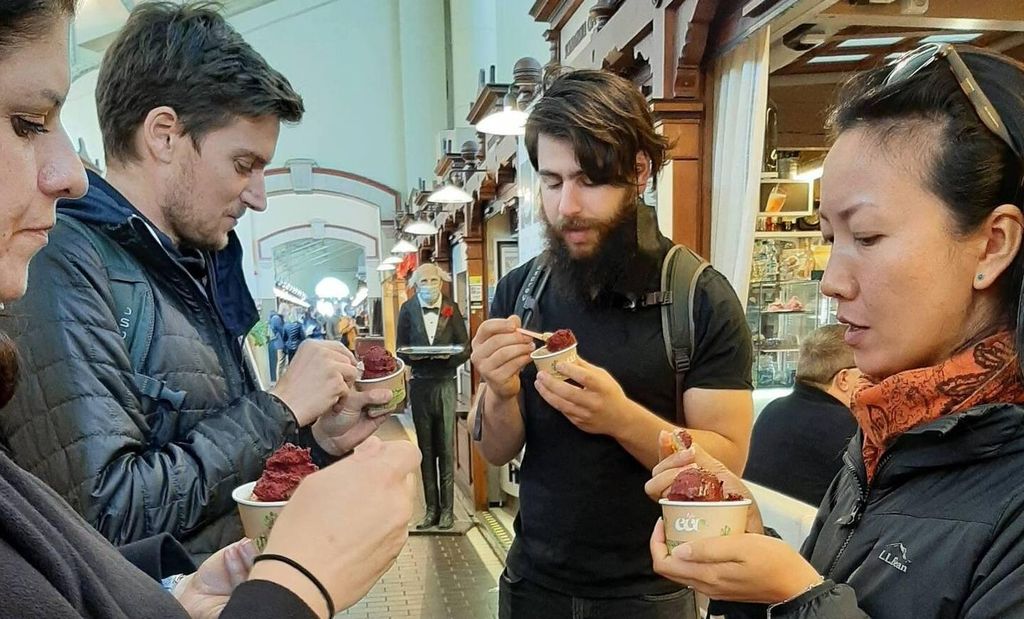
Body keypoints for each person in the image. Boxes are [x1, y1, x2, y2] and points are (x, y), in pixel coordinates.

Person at [0, 2, 419, 617]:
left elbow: (204, 457)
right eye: (243, 164)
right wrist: (277, 409)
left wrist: (311, 444)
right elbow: (97, 518)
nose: (257, 194)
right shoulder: (61, 263)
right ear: (165, 135)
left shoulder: (187, 266)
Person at [648, 44, 1024, 618]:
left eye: (867, 237)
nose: (830, 282)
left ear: (992, 244)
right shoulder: (886, 427)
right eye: (829, 239)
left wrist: (798, 596)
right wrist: (753, 562)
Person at [469, 69, 754, 619]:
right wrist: (500, 393)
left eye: (589, 180)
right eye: (551, 182)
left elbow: (728, 461)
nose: (567, 206)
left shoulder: (697, 298)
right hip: (532, 584)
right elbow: (495, 450)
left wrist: (620, 417)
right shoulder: (520, 292)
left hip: (651, 592)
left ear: (639, 172)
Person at [743, 324, 860, 505]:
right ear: (843, 379)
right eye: (866, 371)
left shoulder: (771, 411)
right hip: (812, 531)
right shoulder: (851, 431)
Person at [396, 263, 471, 530]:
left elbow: (465, 346)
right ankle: (431, 510)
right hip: (420, 385)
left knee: (446, 448)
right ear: (416, 284)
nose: (429, 285)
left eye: (433, 280)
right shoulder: (408, 310)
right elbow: (400, 348)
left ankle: (448, 511)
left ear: (441, 281)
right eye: (424, 281)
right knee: (425, 451)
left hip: (446, 383)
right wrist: (417, 356)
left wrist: (447, 358)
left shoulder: (452, 308)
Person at [267, 304, 286, 384]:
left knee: (280, 362)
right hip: (280, 343)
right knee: (281, 362)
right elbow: (281, 330)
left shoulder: (275, 318)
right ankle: (279, 381)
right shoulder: (277, 319)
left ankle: (279, 380)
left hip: (278, 342)